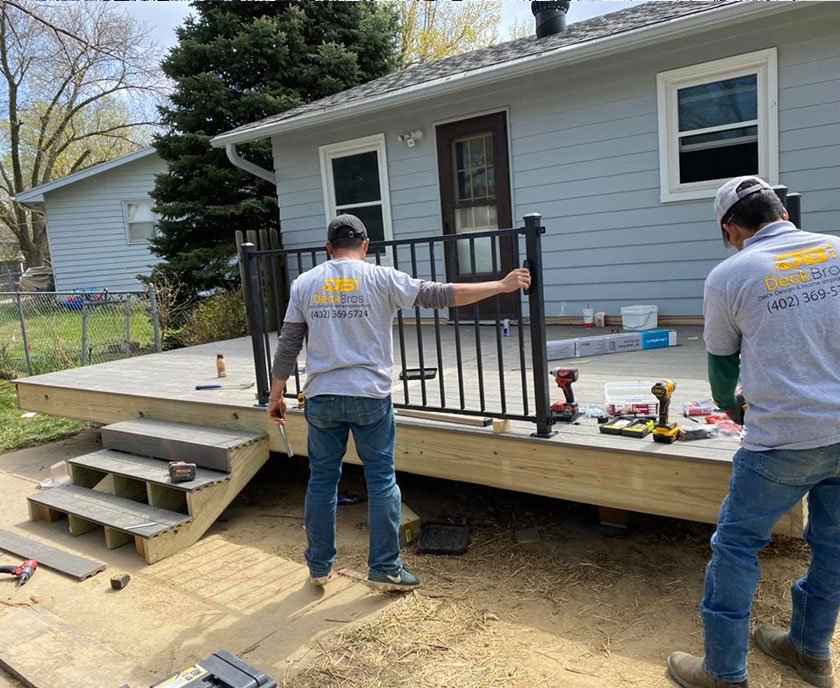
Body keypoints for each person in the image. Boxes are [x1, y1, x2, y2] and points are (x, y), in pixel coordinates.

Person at [266, 214, 531, 592]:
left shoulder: (305, 283)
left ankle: (319, 567)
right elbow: (442, 295)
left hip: (322, 398)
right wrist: (502, 285)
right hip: (370, 397)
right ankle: (386, 569)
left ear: (328, 248)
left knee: (322, 481)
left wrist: (276, 395)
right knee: (381, 479)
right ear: (365, 245)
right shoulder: (382, 278)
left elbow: (288, 344)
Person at [667, 176, 840, 688]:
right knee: (833, 545)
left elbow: (722, 364)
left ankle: (724, 672)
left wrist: (732, 408)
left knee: (737, 546)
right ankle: (810, 651)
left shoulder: (731, 274)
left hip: (782, 440)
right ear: (782, 211)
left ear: (731, 228)